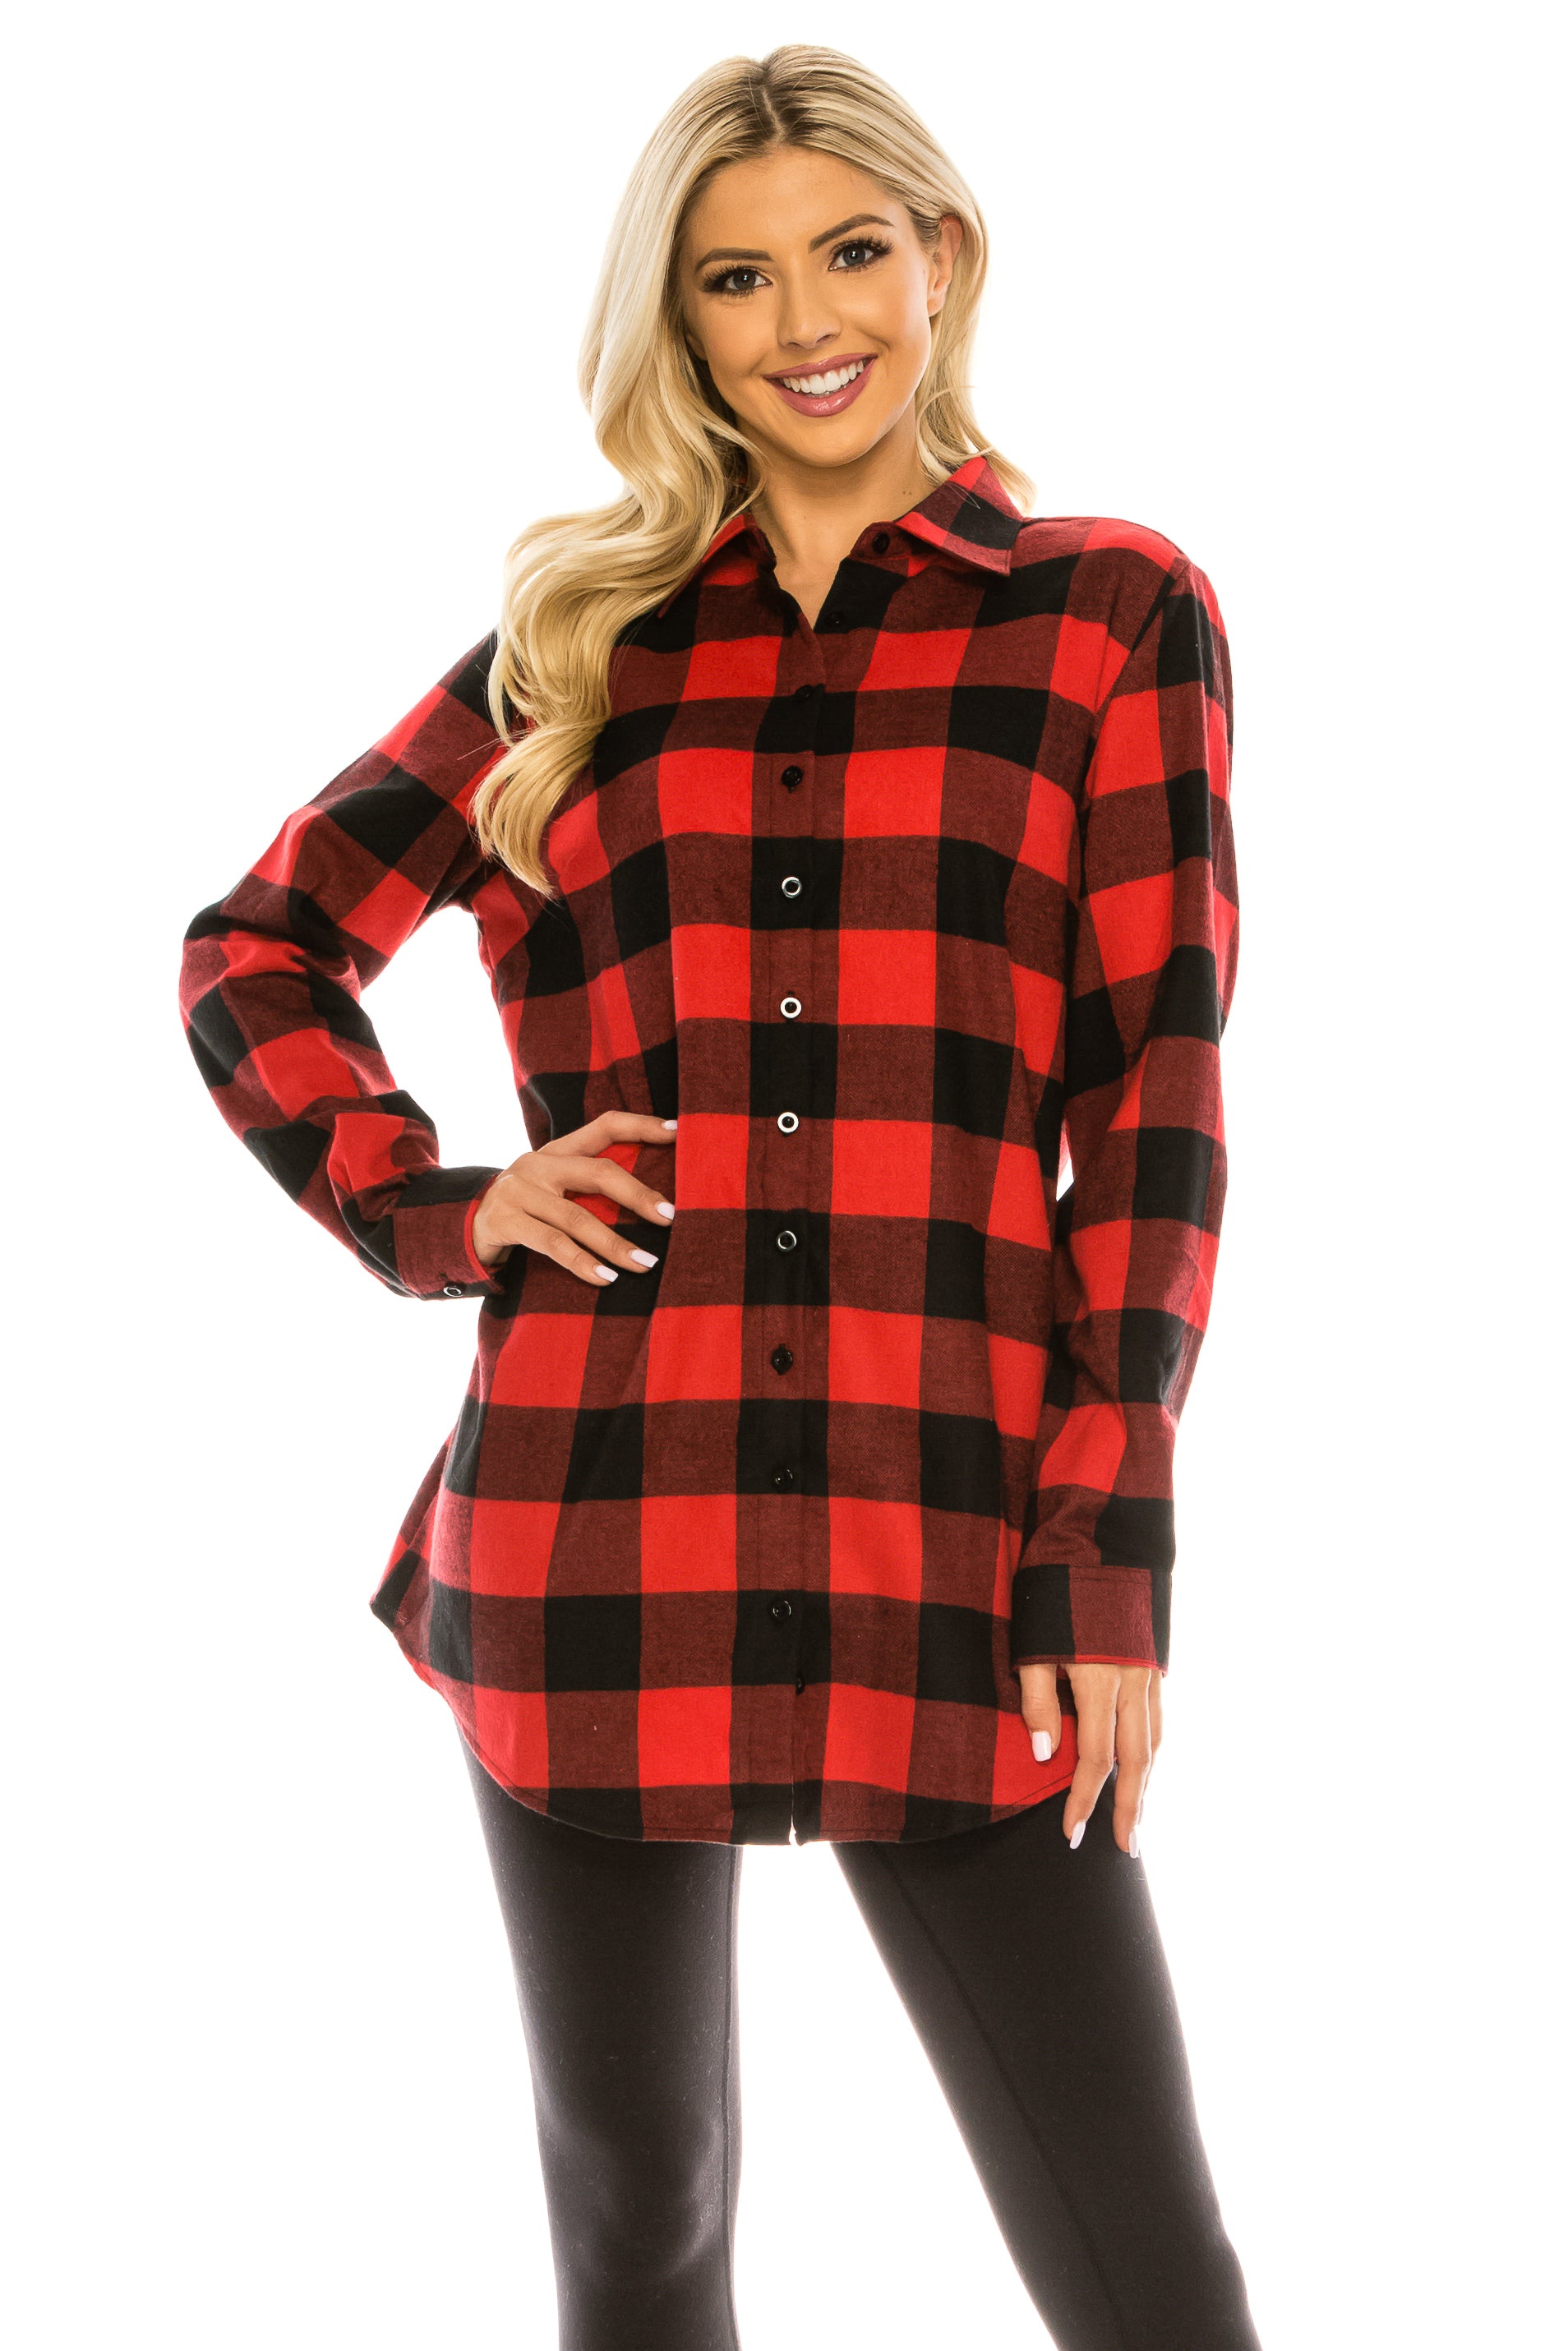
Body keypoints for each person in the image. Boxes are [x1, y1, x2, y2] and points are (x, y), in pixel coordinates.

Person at [179, 42, 1259, 2351]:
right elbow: (256, 950)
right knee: (640, 2213)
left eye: (848, 252)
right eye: (732, 280)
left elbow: (1153, 1104)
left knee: (1140, 2258)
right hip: (601, 1527)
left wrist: (1107, 1543)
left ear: (940, 259)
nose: (803, 323)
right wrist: (444, 1207)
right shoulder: (577, 647)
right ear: (672, 322)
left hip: (952, 1527)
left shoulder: (1105, 613)